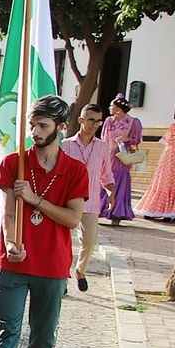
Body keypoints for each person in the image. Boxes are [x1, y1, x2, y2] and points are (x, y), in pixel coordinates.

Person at [0, 95, 88, 348]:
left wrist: (35, 199)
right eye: (31, 124)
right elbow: (8, 211)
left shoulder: (75, 170)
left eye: (42, 126)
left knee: (43, 337)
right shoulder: (13, 163)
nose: (35, 131)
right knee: (7, 333)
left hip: (53, 266)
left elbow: (73, 219)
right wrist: (12, 241)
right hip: (14, 262)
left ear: (61, 127)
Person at [62, 102, 114, 292]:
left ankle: (80, 271)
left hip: (91, 202)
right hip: (66, 202)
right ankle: (63, 277)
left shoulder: (102, 147)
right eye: (91, 120)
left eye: (98, 121)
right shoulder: (65, 145)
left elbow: (106, 174)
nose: (94, 124)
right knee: (64, 242)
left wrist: (111, 192)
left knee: (89, 242)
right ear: (81, 120)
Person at [138, 100, 175, 222]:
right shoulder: (174, 126)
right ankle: (156, 209)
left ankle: (172, 211)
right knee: (162, 183)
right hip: (168, 159)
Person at [101, 96, 142, 226]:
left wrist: (127, 139)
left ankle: (116, 216)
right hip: (108, 156)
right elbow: (104, 137)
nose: (110, 108)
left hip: (121, 158)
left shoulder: (133, 122)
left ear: (118, 109)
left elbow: (137, 139)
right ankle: (100, 209)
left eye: (112, 106)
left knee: (119, 183)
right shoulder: (109, 121)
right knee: (104, 180)